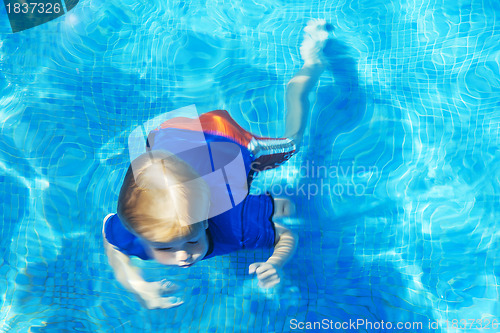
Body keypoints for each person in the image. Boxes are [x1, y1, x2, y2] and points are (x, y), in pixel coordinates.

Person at [102, 19, 332, 309]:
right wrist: (135, 284)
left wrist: (275, 261)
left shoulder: (236, 224)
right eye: (164, 248)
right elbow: (110, 236)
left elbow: (286, 231)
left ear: (207, 219)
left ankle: (308, 67)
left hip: (231, 144)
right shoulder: (139, 231)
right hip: (176, 141)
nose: (182, 256)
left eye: (191, 241)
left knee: (293, 145)